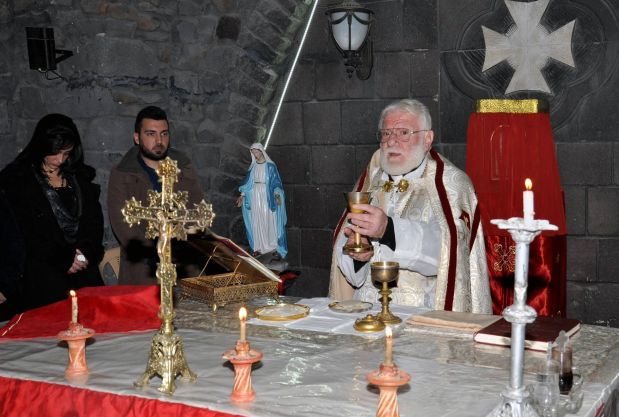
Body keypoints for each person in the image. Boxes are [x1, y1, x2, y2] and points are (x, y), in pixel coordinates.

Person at [329, 99, 491, 313]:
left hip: (422, 316)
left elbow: (448, 256)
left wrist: (388, 230)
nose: (391, 141)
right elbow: (349, 271)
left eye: (403, 133)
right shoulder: (370, 182)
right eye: (386, 133)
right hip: (366, 312)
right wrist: (358, 256)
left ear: (427, 139)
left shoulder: (450, 184)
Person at [0, 113, 104, 314]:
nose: (59, 159)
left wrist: (84, 253)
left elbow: (93, 223)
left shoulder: (79, 177)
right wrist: (64, 259)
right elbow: (22, 232)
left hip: (82, 273)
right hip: (43, 274)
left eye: (66, 153)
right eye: (54, 152)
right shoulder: (18, 182)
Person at [108, 106, 203, 285]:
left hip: (184, 267)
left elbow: (197, 213)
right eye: (151, 134)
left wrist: (182, 249)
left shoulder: (184, 167)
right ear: (137, 137)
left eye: (164, 134)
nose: (159, 140)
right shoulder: (123, 173)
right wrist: (161, 253)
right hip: (143, 270)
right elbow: (123, 225)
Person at [236, 143, 287, 259]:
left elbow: (276, 183)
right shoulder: (253, 167)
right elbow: (248, 184)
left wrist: (277, 194)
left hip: (267, 195)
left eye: (256, 151)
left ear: (261, 151)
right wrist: (242, 195)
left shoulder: (270, 166)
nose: (255, 154)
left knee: (269, 220)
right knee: (257, 221)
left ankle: (273, 247)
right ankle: (258, 248)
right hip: (255, 196)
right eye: (253, 152)